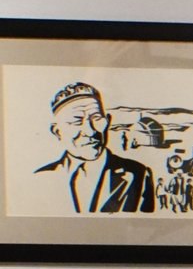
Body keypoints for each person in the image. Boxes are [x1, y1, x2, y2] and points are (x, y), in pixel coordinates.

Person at [34, 81, 155, 213]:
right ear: (57, 131)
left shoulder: (137, 174)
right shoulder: (41, 178)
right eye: (77, 121)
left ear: (108, 121)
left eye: (96, 118)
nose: (91, 131)